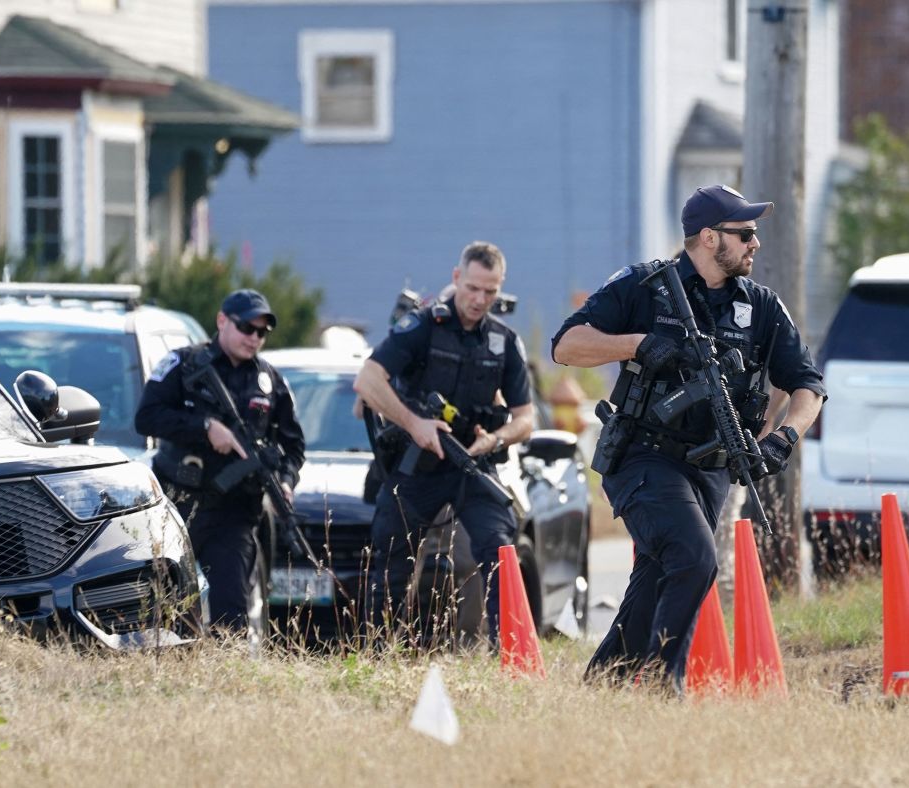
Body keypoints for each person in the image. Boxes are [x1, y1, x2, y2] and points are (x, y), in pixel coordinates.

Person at [551, 184, 826, 692]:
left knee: (658, 580)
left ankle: (600, 691)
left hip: (711, 469)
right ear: (707, 237)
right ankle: (663, 687)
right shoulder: (643, 286)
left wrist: (783, 439)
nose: (754, 244)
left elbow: (807, 385)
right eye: (744, 234)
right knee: (696, 558)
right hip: (643, 458)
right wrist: (638, 344)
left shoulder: (761, 307)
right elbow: (566, 346)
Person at [354, 241, 533, 643]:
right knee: (392, 559)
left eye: (490, 291)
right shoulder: (420, 328)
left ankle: (510, 652)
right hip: (418, 463)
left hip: (472, 462)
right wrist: (415, 423)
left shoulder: (504, 341)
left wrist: (496, 440)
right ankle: (381, 653)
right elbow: (367, 381)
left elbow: (526, 418)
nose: (479, 299)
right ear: (457, 278)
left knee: (500, 547)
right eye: (473, 288)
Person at [135, 289, 305, 632]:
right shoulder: (183, 365)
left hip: (235, 512)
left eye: (262, 332)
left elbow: (293, 446)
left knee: (232, 615)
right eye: (247, 328)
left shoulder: (270, 382)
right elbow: (146, 418)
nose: (255, 338)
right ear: (222, 321)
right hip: (178, 503)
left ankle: (226, 673)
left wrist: (286, 481)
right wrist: (204, 427)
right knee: (165, 607)